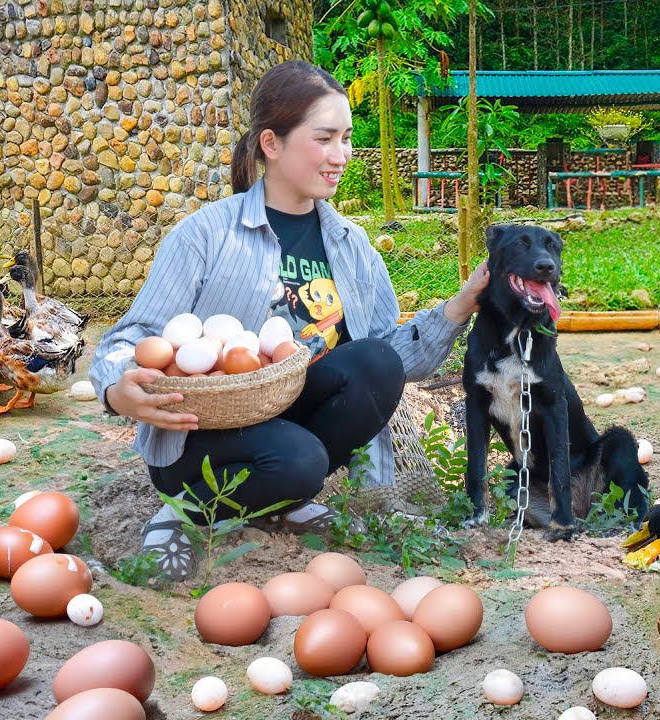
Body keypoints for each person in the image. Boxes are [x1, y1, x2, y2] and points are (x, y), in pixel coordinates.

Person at [89, 60, 489, 581]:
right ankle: (183, 512)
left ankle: (282, 497)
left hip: (289, 428)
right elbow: (131, 337)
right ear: (272, 144)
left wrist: (460, 305)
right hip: (202, 438)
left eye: (346, 138)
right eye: (324, 139)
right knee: (299, 461)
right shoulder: (206, 235)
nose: (341, 155)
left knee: (373, 363)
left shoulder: (351, 244)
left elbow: (392, 358)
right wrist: (116, 391)